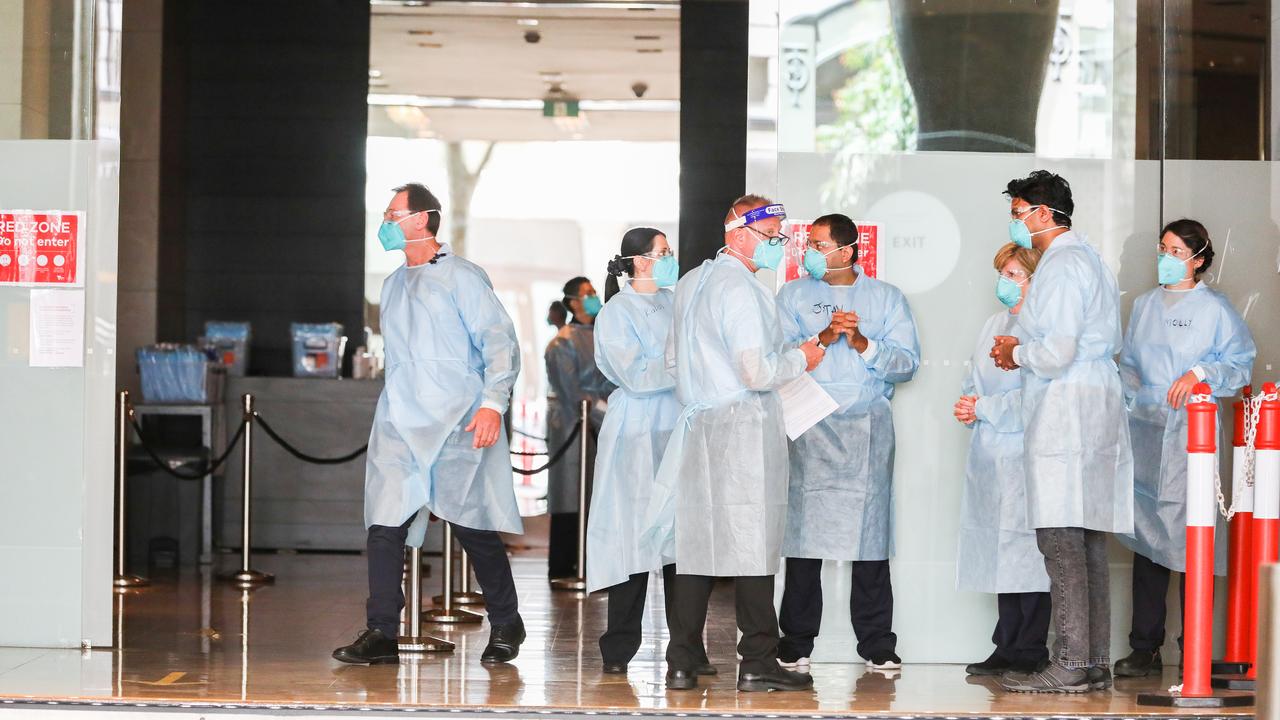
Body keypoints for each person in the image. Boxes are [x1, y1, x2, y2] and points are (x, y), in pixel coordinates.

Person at [333, 183, 525, 665]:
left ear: (421, 219)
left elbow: (499, 342)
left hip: (456, 418)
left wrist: (491, 404)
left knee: (471, 524)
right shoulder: (393, 284)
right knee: (384, 521)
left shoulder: (462, 277)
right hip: (400, 416)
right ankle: (381, 632)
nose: (385, 221)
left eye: (392, 213)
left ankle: (506, 621)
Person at [642, 194, 824, 693]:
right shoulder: (743, 290)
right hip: (743, 429)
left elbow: (674, 361)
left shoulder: (691, 283)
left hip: (699, 424)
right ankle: (759, 660)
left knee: (697, 544)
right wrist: (803, 358)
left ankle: (682, 660)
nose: (777, 246)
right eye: (771, 238)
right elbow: (757, 370)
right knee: (753, 542)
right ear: (738, 234)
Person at [990, 170, 1134, 693]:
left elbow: (1057, 350)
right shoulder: (1089, 257)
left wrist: (1014, 352)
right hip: (1089, 403)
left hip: (1068, 405)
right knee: (1087, 535)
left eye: (1019, 210)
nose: (1015, 220)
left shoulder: (1062, 264)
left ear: (1044, 214)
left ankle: (1070, 661)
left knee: (1060, 537)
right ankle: (1093, 660)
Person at [774, 213, 920, 671]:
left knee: (869, 537)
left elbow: (906, 364)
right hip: (810, 422)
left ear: (847, 250)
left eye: (819, 245)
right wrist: (821, 337)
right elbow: (775, 358)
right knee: (803, 539)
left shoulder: (885, 298)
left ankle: (877, 642)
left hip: (867, 428)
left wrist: (860, 341)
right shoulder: (792, 295)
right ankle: (796, 640)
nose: (810, 253)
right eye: (809, 244)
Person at [1113, 219, 1255, 677]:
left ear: (1198, 259)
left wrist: (1199, 373)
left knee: (1193, 540)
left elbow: (1239, 364)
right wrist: (1138, 398)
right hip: (1148, 433)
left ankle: (1192, 642)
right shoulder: (1144, 305)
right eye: (1162, 248)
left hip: (1191, 441)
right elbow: (1129, 366)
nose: (1166, 258)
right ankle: (1144, 646)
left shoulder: (1215, 309)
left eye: (1176, 250)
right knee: (1147, 544)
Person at [587, 227, 711, 676]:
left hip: (678, 423)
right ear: (640, 260)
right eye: (664, 252)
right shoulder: (617, 312)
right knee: (635, 539)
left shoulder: (676, 300)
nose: (670, 258)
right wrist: (681, 367)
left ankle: (687, 649)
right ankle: (619, 648)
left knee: (683, 542)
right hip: (637, 433)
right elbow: (636, 375)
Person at [953, 243, 1051, 677]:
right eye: (1003, 274)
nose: (1005, 283)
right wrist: (969, 404)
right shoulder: (995, 323)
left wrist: (986, 409)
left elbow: (1037, 397)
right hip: (991, 456)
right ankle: (1006, 644)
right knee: (1000, 554)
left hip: (1028, 455)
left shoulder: (1045, 330)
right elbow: (975, 377)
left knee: (1030, 556)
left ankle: (1031, 648)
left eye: (1014, 275)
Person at [544, 276, 615, 580]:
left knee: (598, 496)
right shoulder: (563, 342)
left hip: (603, 423)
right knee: (571, 495)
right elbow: (571, 391)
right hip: (573, 427)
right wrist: (601, 408)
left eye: (593, 292)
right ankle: (564, 567)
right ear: (572, 302)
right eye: (586, 294)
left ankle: (594, 566)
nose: (593, 297)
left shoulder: (604, 334)